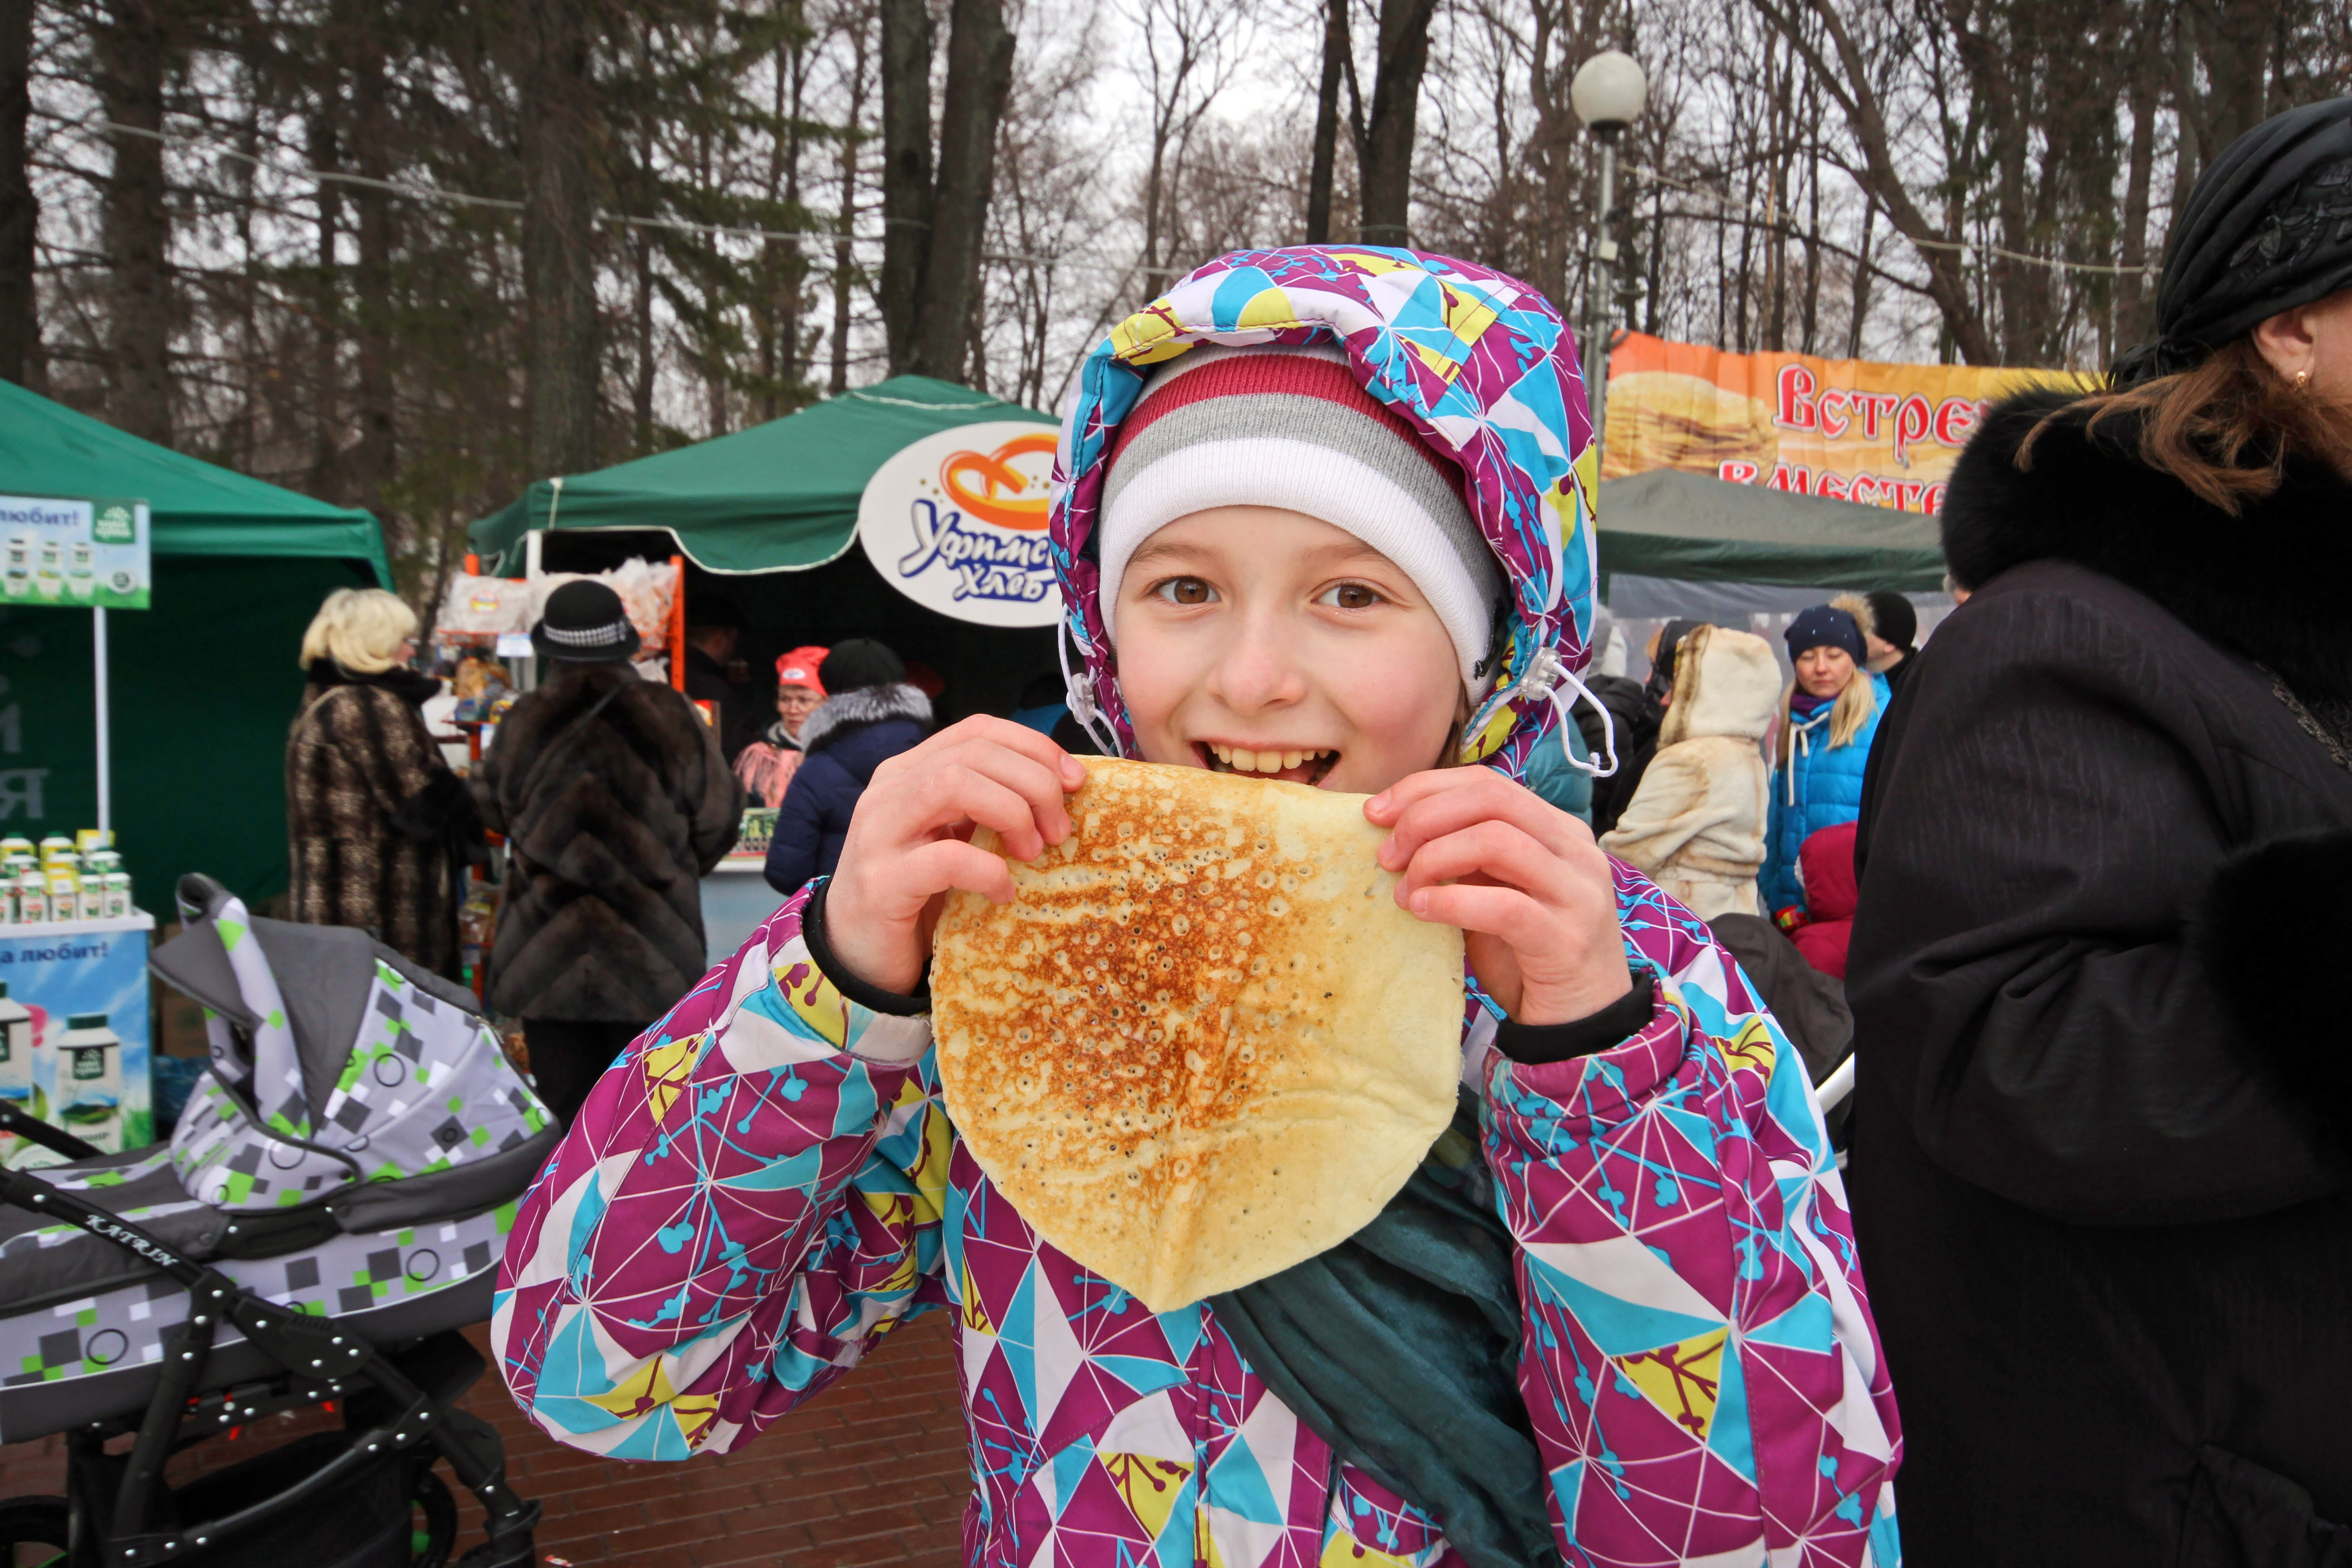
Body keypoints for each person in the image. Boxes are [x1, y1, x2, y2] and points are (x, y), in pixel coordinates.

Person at [496, 248, 1899, 1565]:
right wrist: (835, 987)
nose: (1254, 675)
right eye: (1182, 588)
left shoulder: (1636, 982)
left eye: (1352, 592)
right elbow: (609, 1372)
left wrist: (1591, 1062)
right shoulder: (1011, 942)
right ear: (1105, 632)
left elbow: (1777, 1534)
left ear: (1492, 646)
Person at [1847, 98, 2352, 1567]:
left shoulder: (2308, 646)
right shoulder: (2068, 633)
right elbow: (2011, 1046)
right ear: (2285, 330)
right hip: (2178, 1499)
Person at [472, 581, 743, 1128]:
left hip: (546, 954)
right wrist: (664, 873)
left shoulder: (525, 716)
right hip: (650, 951)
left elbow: (490, 807)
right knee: (650, 1121)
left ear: (552, 647)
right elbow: (719, 818)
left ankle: (565, 1216)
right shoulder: (669, 713)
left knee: (564, 1120)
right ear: (622, 642)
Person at [286, 587, 483, 977]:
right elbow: (424, 807)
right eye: (403, 641)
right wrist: (481, 784)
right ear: (375, 644)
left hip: (340, 916)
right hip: (380, 922)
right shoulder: (365, 706)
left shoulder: (326, 699)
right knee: (392, 1035)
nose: (411, 651)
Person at [1599, 622, 1781, 918]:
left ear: (1710, 690)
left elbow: (1627, 856)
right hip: (1732, 917)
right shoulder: (1747, 754)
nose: (1666, 698)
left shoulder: (1692, 760)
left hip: (1676, 920)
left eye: (1681, 687)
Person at [760, 637, 931, 894]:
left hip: (840, 918)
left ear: (829, 688)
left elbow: (786, 872)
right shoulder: (936, 755)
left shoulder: (815, 772)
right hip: (923, 913)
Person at [1761, 599, 1888, 919]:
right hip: (1793, 912)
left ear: (1855, 660)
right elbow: (1778, 820)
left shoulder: (1882, 720)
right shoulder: (1796, 722)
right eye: (1807, 657)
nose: (1821, 667)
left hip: (1855, 913)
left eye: (1834, 655)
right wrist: (1776, 891)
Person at [733, 644, 827, 808]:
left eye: (804, 700)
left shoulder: (841, 753)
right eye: (785, 699)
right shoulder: (758, 759)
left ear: (826, 704)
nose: (792, 710)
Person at [681, 598, 757, 762]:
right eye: (734, 642)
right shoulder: (714, 689)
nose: (733, 651)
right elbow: (734, 752)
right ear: (720, 638)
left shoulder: (658, 669)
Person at [1860, 590, 1919, 690]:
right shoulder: (1841, 677)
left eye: (1862, 629)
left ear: (1890, 645)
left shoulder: (1921, 688)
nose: (1851, 634)